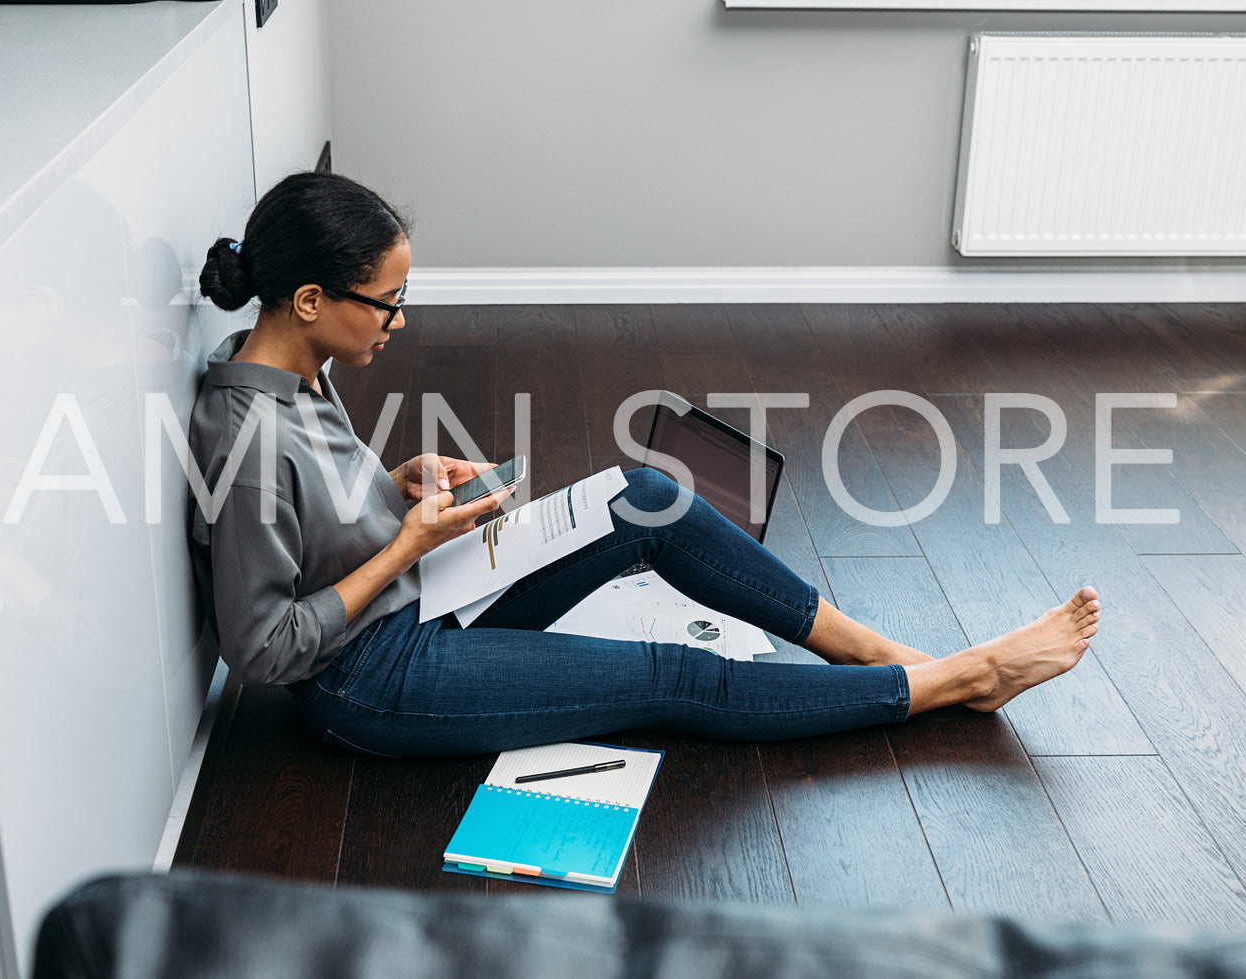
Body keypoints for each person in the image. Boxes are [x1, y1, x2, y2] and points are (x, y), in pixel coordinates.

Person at [190, 172, 1100, 759]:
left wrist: (391, 490)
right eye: (386, 303)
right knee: (667, 673)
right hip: (368, 679)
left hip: (418, 597)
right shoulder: (249, 435)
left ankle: (869, 649)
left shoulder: (289, 366)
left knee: (644, 497)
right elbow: (261, 650)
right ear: (310, 299)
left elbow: (312, 526)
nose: (399, 322)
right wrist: (401, 548)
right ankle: (952, 680)